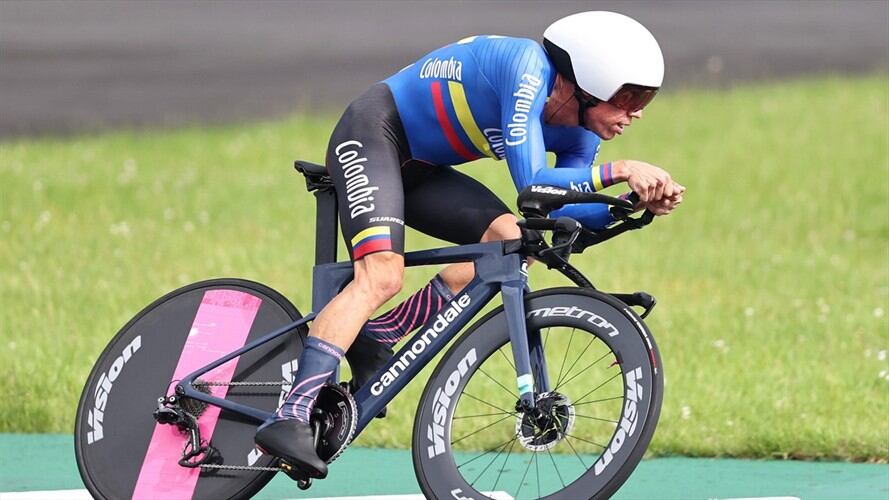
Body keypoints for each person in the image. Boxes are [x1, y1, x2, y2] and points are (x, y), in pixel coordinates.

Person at [255, 10, 685, 478]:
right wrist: (619, 171)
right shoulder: (526, 70)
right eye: (629, 96)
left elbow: (559, 213)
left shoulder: (582, 131)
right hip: (374, 133)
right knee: (382, 273)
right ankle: (291, 415)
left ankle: (380, 332)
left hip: (420, 168)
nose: (637, 111)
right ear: (586, 81)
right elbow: (533, 183)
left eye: (646, 98)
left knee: (513, 243)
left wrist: (630, 205)